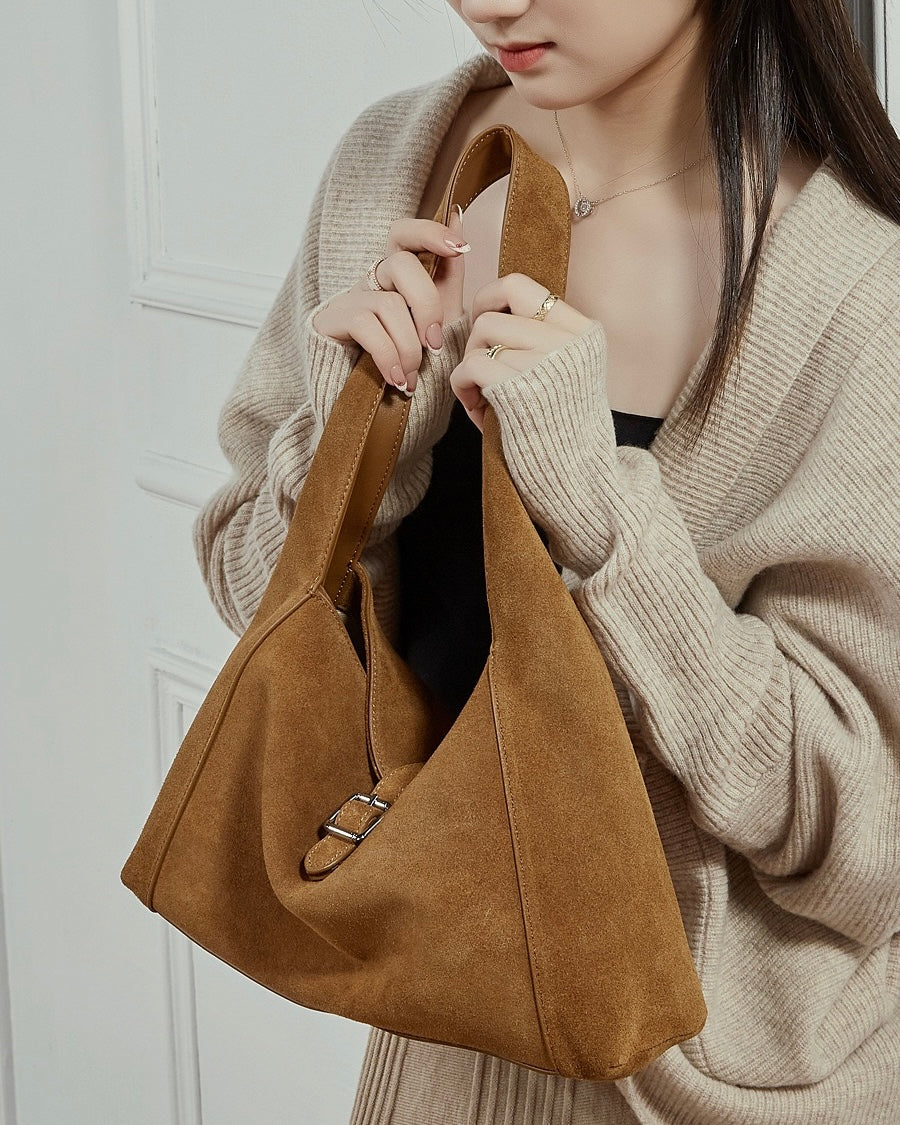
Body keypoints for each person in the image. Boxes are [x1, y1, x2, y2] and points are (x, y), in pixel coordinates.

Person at [192, 0, 900, 1122]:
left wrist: (599, 510)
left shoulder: (858, 290)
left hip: (711, 1077)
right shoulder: (395, 164)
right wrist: (359, 450)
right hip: (438, 1026)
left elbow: (863, 840)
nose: (490, 1)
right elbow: (250, 582)